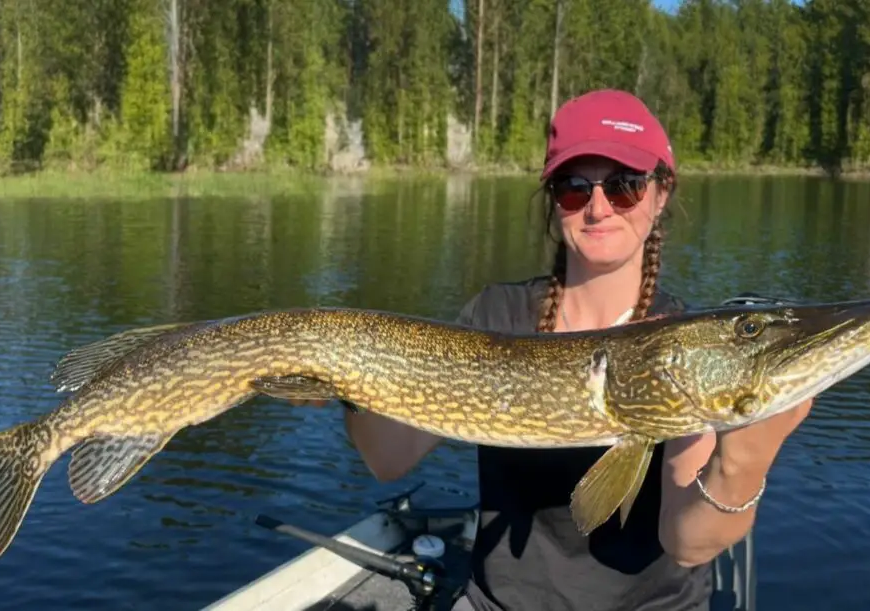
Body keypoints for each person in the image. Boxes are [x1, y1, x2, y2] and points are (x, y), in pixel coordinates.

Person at [343, 89, 815, 611]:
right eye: (573, 188)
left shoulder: (681, 340)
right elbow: (386, 458)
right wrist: (344, 378)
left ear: (661, 195)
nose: (597, 207)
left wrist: (743, 461)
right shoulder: (497, 316)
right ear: (554, 201)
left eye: (625, 186)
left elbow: (689, 543)